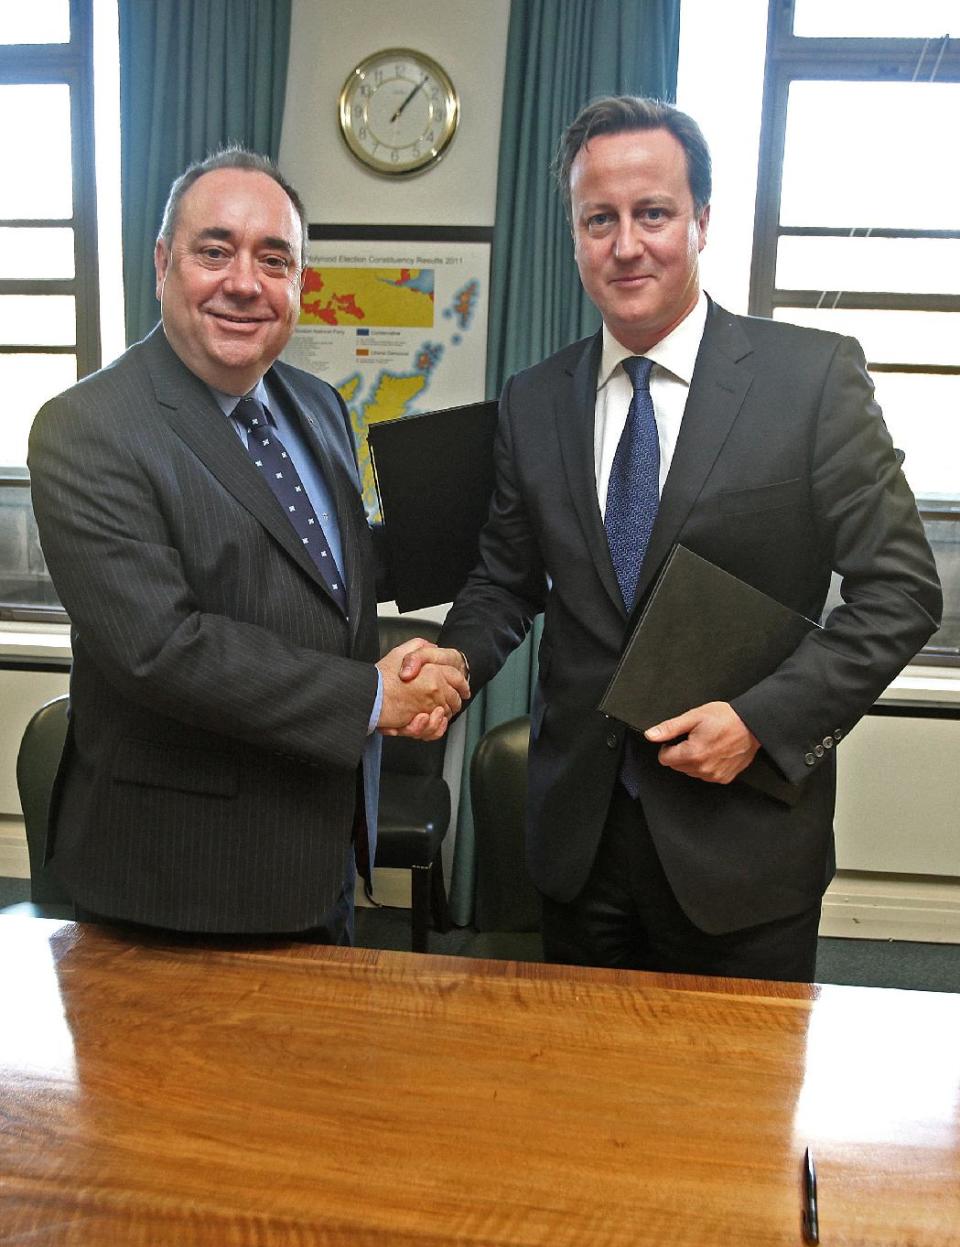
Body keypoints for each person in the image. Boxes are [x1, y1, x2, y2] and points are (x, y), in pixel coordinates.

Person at [426, 96, 942, 981]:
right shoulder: (534, 399)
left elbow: (902, 593)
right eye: (600, 219)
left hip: (741, 848)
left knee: (734, 1115)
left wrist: (760, 720)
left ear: (701, 221)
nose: (626, 244)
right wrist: (454, 663)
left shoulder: (811, 379)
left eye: (652, 213)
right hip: (576, 845)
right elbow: (507, 582)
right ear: (576, 235)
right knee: (578, 1104)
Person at [28, 148, 468, 941]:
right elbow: (161, 647)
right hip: (178, 885)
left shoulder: (317, 403)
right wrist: (374, 697)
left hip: (319, 855)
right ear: (164, 262)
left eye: (274, 259)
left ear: (299, 283)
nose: (244, 281)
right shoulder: (88, 428)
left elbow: (330, 563)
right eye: (214, 249)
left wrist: (507, 516)